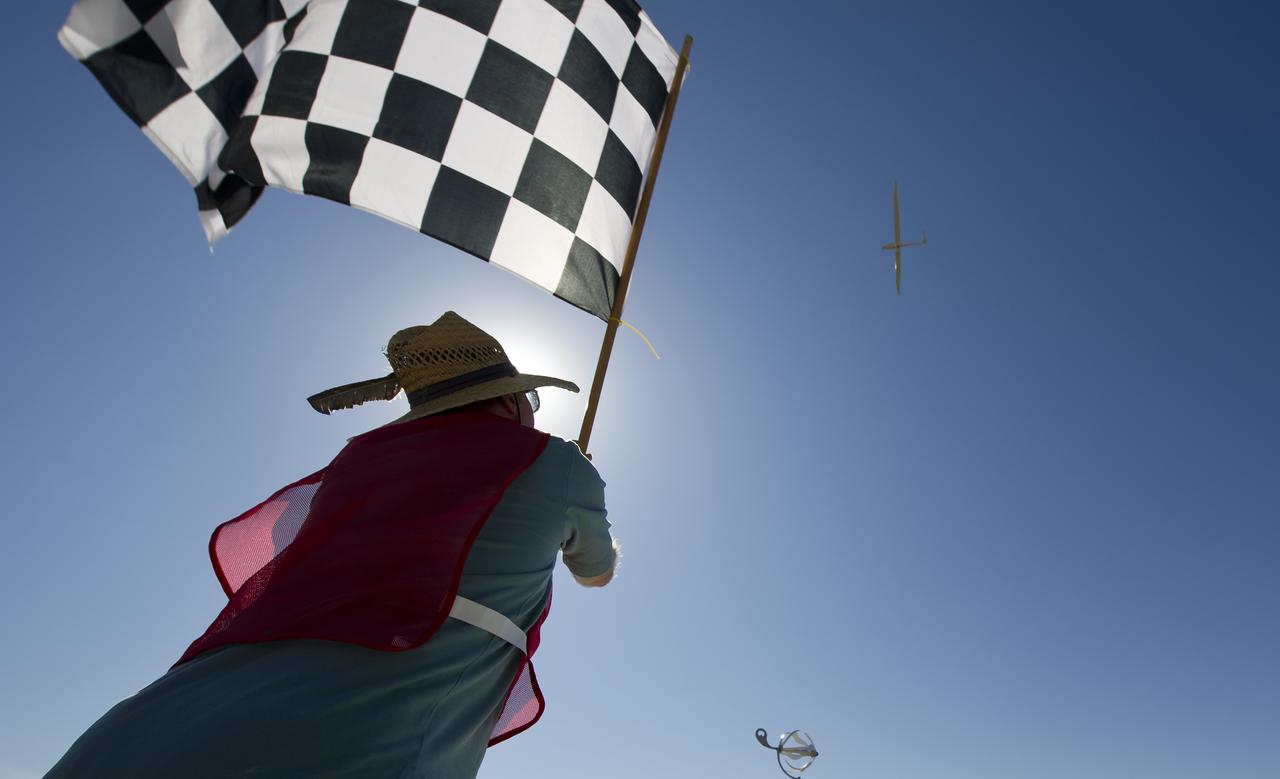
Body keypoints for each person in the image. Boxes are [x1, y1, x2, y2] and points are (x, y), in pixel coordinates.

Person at [45, 311, 617, 778]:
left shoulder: (357, 458)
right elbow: (594, 570)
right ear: (508, 400)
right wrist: (575, 481)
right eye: (529, 401)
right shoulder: (555, 463)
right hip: (349, 745)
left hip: (145, 731)